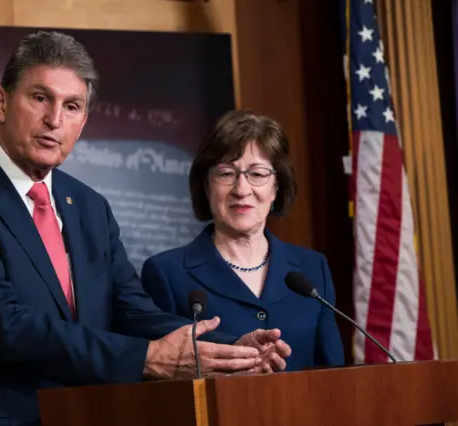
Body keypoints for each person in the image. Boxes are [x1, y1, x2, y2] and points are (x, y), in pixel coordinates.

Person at [0, 32, 291, 426]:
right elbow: (3, 324)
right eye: (40, 98)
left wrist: (228, 351)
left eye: (72, 107)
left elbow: (130, 311)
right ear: (1, 102)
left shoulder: (88, 207)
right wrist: (145, 359)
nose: (55, 120)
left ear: (83, 121)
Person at [141, 110, 345, 372]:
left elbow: (333, 373)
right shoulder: (166, 273)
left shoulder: (312, 269)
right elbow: (159, 381)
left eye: (257, 174)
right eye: (226, 173)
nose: (241, 189)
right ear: (206, 186)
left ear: (276, 187)